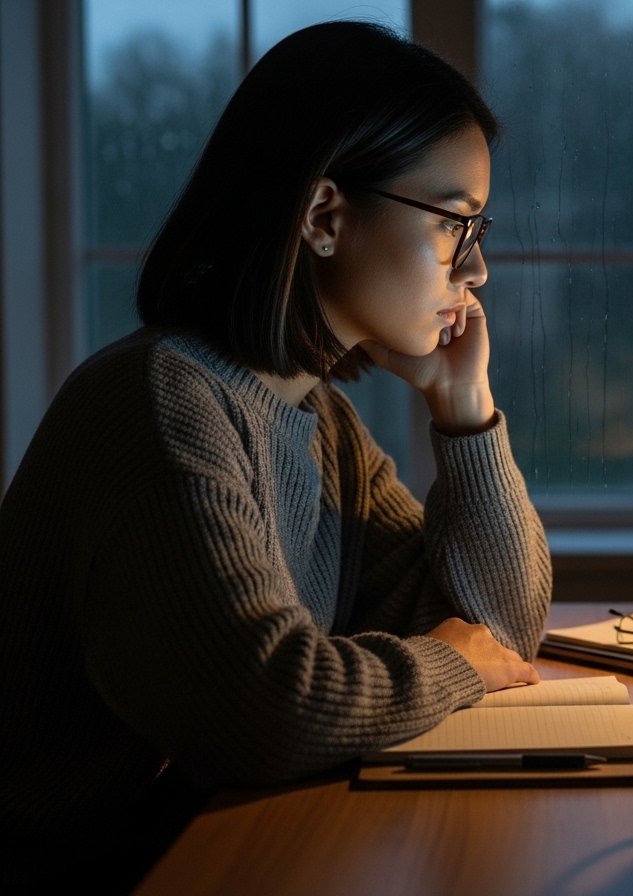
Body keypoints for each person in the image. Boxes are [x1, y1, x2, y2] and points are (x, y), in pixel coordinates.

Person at [0, 20, 551, 892]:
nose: (475, 270)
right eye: (455, 224)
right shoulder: (162, 400)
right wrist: (448, 664)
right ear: (325, 215)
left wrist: (465, 411)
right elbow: (263, 712)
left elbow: (502, 631)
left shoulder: (320, 423)